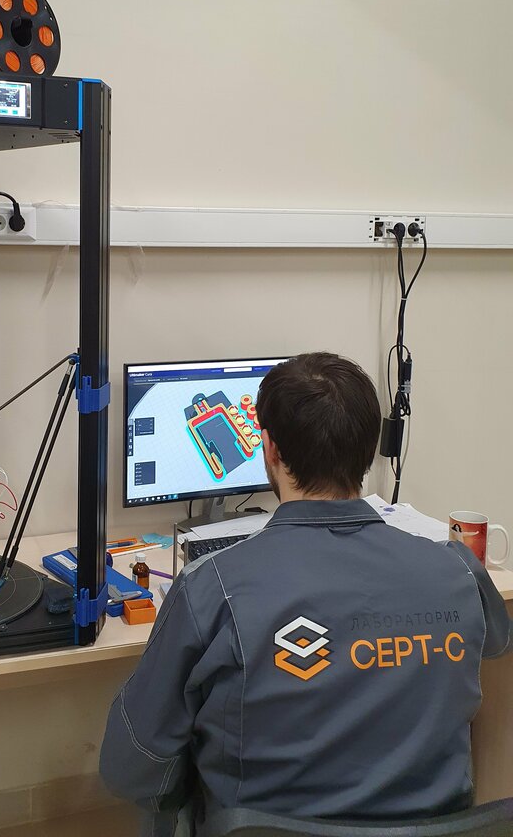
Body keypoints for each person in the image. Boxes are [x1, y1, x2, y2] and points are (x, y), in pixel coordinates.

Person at [100, 353, 512, 836]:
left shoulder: (211, 589)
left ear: (270, 449)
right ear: (369, 449)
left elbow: (133, 765)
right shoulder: (457, 569)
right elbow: (495, 644)